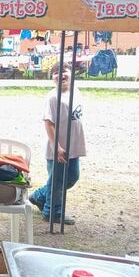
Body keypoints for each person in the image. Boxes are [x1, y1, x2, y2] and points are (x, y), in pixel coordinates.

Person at [29, 62, 86, 225]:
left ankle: (39, 196)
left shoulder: (75, 92)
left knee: (72, 177)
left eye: (64, 71)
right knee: (59, 181)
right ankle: (53, 212)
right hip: (59, 148)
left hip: (73, 146)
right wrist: (57, 147)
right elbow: (48, 122)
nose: (60, 75)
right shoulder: (53, 98)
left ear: (72, 73)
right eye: (55, 73)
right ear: (52, 79)